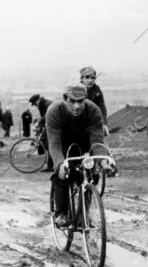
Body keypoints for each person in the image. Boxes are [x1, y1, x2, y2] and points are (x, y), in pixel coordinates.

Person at [47, 84, 115, 227]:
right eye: (72, 101)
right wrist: (60, 164)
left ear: (86, 99)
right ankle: (61, 213)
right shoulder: (54, 111)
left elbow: (97, 141)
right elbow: (54, 143)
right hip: (63, 145)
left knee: (89, 176)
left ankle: (83, 214)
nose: (77, 106)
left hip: (85, 144)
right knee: (63, 175)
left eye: (81, 101)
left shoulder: (94, 111)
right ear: (65, 99)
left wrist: (102, 160)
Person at [80, 66, 109, 136]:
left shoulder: (96, 90)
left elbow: (101, 107)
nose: (90, 80)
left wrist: (104, 124)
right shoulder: (77, 90)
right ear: (82, 79)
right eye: (87, 77)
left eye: (92, 78)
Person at [30, 94, 54, 172]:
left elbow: (47, 116)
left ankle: (51, 163)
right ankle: (50, 161)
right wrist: (40, 126)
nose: (35, 106)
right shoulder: (44, 103)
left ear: (37, 100)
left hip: (54, 125)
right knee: (46, 142)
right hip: (50, 125)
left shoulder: (47, 104)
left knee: (46, 141)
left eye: (34, 104)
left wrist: (39, 124)